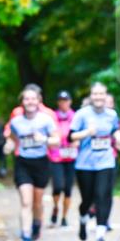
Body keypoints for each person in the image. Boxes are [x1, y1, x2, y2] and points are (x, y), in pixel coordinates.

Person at [69, 82, 120, 241]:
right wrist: (87, 132)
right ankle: (83, 219)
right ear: (91, 96)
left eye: (101, 94)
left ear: (105, 96)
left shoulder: (111, 114)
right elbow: (70, 137)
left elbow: (114, 130)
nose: (98, 97)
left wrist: (119, 137)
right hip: (85, 164)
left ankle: (100, 236)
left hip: (106, 161)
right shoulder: (82, 114)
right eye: (95, 94)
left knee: (102, 196)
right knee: (87, 199)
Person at [5, 89, 60, 241]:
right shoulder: (16, 122)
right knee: (26, 202)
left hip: (41, 163)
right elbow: (12, 139)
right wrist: (8, 145)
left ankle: (37, 223)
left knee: (37, 202)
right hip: (23, 164)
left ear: (38, 101)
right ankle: (26, 237)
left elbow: (56, 141)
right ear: (22, 101)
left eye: (33, 99)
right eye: (26, 99)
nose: (30, 102)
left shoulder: (46, 120)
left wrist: (43, 139)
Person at [49, 90, 77, 227]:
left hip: (71, 156)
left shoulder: (76, 117)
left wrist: (77, 141)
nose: (63, 103)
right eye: (61, 101)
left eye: (66, 100)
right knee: (58, 186)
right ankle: (55, 207)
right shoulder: (53, 117)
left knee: (68, 188)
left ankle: (64, 217)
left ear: (70, 102)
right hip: (56, 157)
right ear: (58, 102)